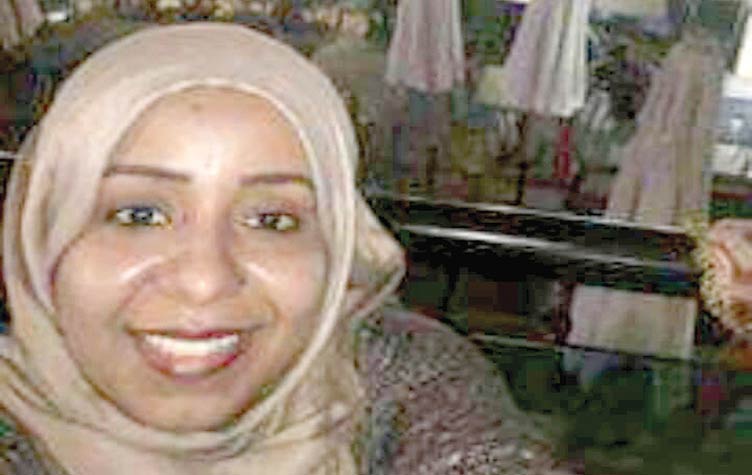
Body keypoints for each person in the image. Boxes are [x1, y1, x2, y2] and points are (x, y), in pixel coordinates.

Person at [0, 23, 564, 474]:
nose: (204, 279)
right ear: (42, 238)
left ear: (340, 249)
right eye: (138, 215)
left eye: (271, 220)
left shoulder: (405, 385)